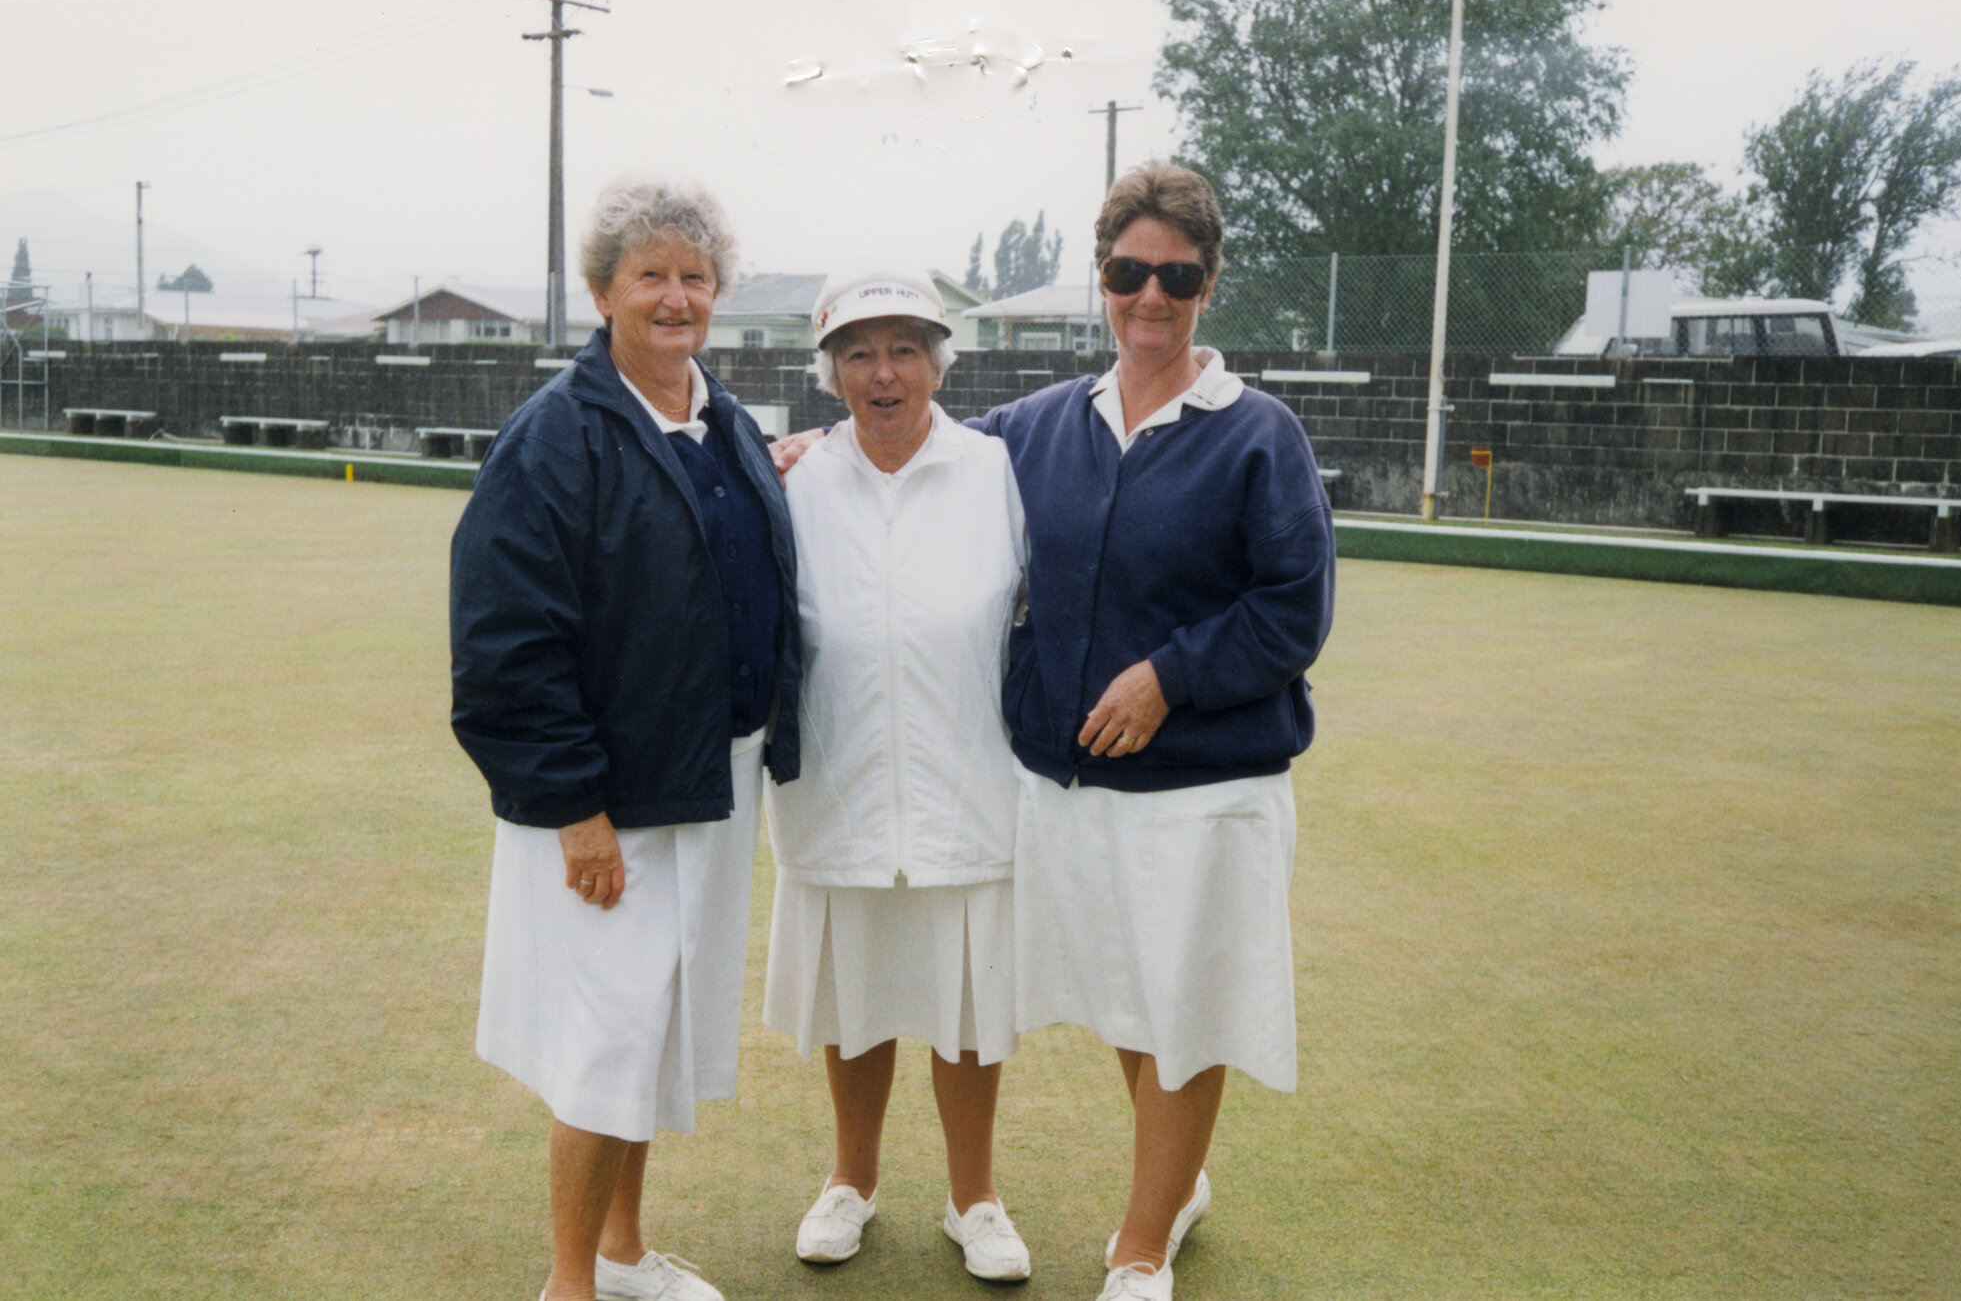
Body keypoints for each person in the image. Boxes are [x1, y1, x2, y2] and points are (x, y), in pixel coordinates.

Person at [773, 163, 1334, 1301]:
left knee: (1182, 1006)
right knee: (1136, 1001)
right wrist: (803, 449)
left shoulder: (1258, 433)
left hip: (1206, 783)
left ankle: (1139, 1242)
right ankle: (1168, 1189)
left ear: (1207, 283)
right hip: (1078, 787)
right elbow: (919, 439)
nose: (1149, 295)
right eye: (1128, 271)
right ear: (1101, 277)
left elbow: (1294, 606)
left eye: (1175, 275)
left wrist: (1168, 678)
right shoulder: (1036, 428)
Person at [450, 178, 799, 1301]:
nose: (674, 295)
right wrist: (575, 806)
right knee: (603, 1052)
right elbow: (506, 644)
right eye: (649, 274)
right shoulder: (553, 437)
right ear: (601, 291)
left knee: (650, 1035)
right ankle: (570, 1284)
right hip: (609, 805)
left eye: (694, 276)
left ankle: (623, 1250)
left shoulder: (729, 420)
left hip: (709, 783)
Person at [763, 267, 1033, 1281]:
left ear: (938, 362)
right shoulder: (790, 477)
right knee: (854, 997)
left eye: (906, 349)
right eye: (860, 353)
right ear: (830, 371)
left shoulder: (995, 468)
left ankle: (976, 1199)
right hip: (838, 782)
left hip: (969, 780)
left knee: (967, 1007)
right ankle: (851, 1181)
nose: (885, 372)